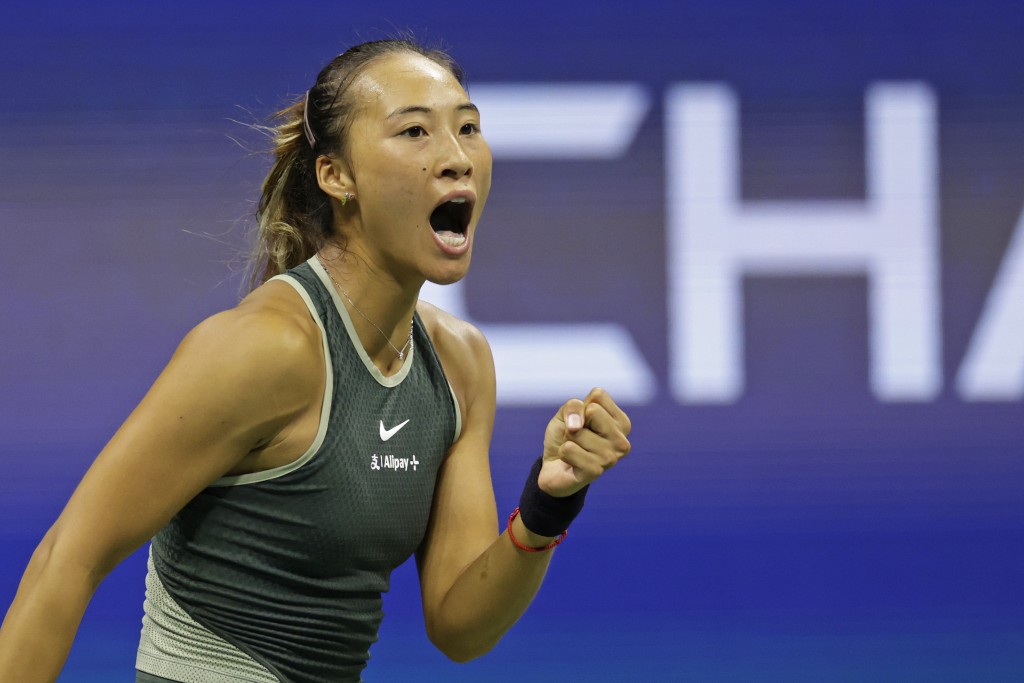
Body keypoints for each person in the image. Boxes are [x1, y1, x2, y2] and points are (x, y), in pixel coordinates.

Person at [0, 38, 632, 682]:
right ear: (336, 176)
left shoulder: (460, 363)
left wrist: (548, 504)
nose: (457, 157)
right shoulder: (265, 349)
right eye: (415, 131)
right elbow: (66, 560)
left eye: (468, 128)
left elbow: (459, 626)